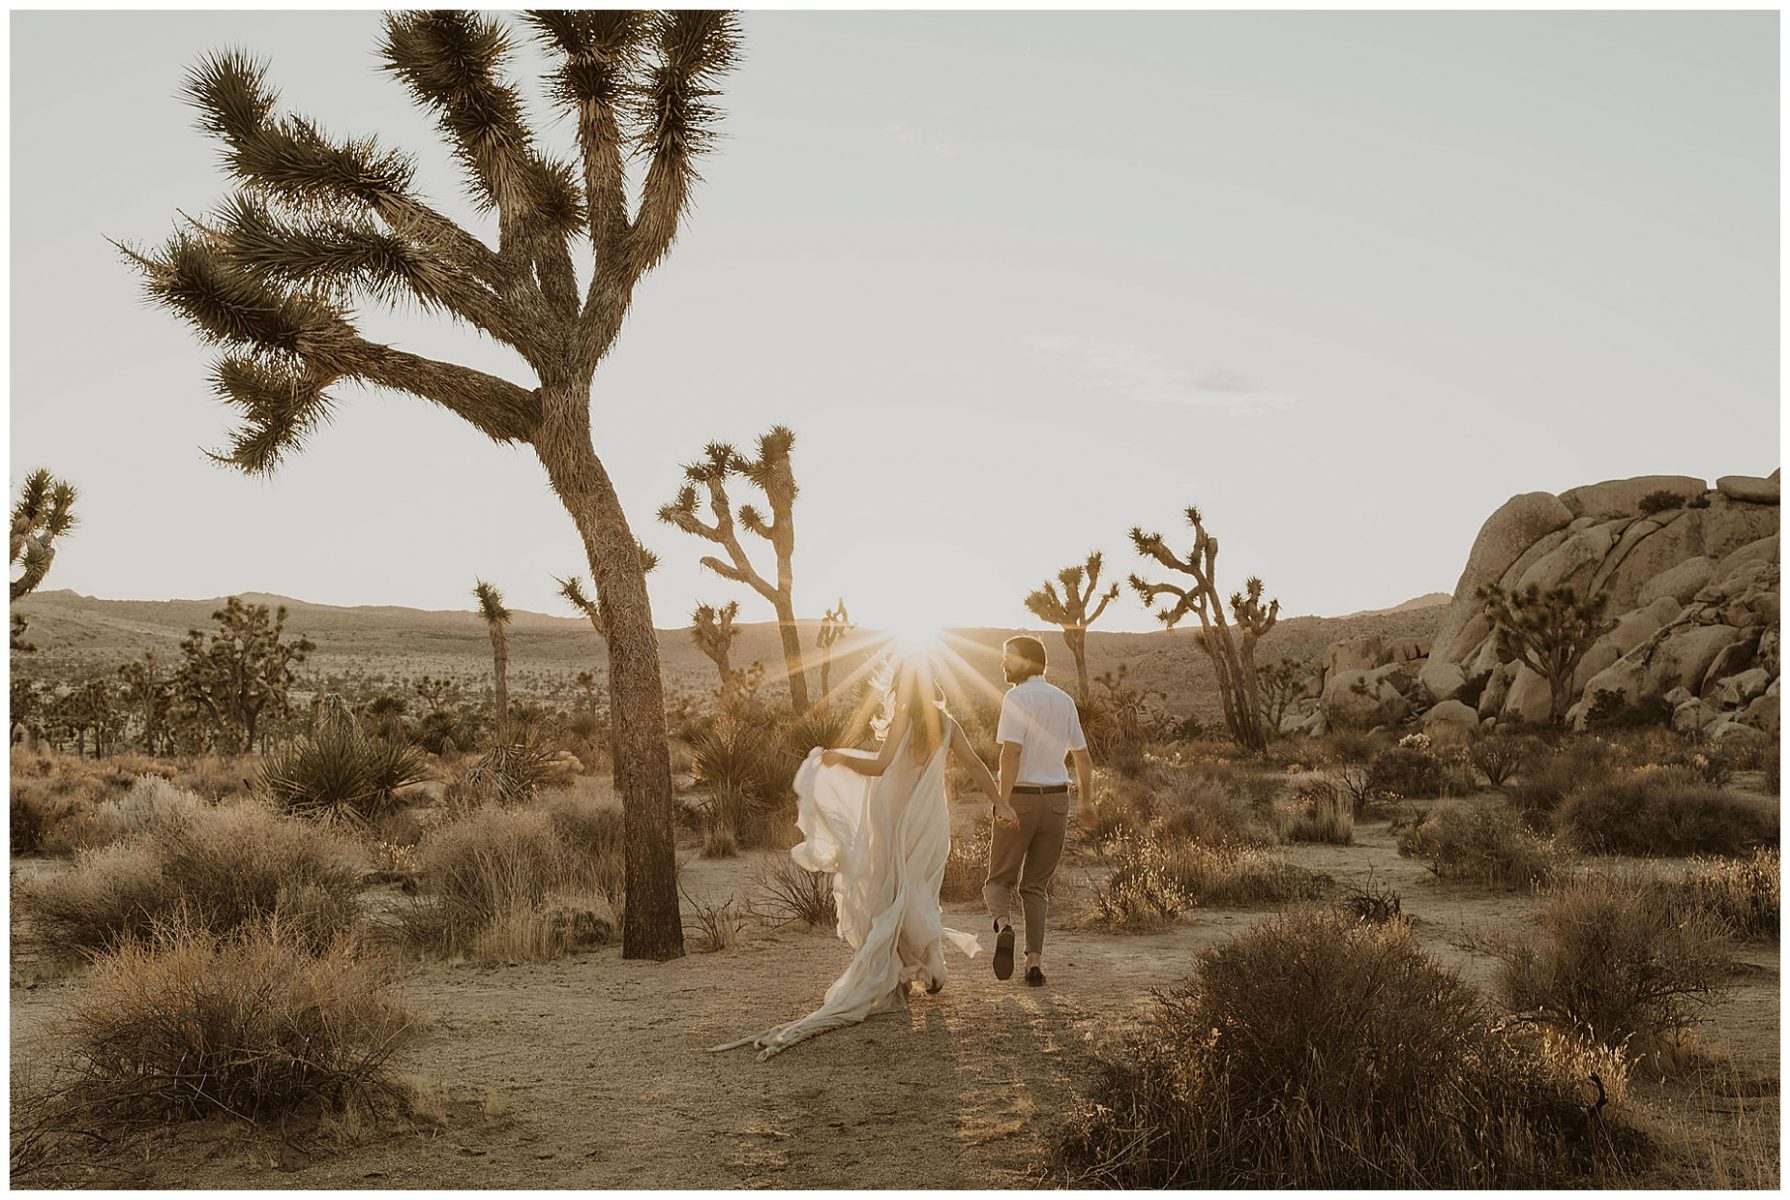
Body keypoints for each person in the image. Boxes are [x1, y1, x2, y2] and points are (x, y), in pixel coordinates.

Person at [711, 652, 1003, 1062]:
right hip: (930, 820)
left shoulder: (904, 718)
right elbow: (974, 765)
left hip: (892, 815)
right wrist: (1000, 804)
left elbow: (881, 766)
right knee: (916, 890)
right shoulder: (948, 724)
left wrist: (838, 756)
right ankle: (922, 966)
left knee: (888, 891)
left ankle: (910, 973)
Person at [984, 635, 1096, 986]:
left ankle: (1004, 926)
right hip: (1058, 801)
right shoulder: (1064, 701)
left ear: (1030, 662)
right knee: (1035, 886)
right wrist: (1088, 801)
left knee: (998, 879)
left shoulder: (1016, 698)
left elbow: (1010, 753)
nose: (1003, 663)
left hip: (1021, 798)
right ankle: (1034, 963)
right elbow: (1082, 757)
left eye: (1010, 658)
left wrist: (1002, 802)